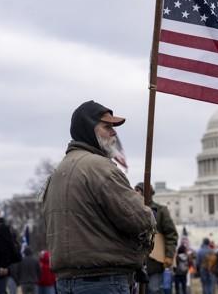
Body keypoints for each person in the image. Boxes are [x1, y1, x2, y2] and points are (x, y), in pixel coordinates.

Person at [42, 100, 156, 294]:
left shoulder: (56, 174)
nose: (114, 133)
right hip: (103, 280)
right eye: (107, 126)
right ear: (88, 129)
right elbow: (139, 220)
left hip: (65, 282)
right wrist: (149, 215)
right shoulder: (101, 168)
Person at [134, 182, 179, 294]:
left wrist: (169, 255)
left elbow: (171, 234)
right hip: (136, 262)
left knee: (154, 290)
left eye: (139, 192)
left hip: (154, 263)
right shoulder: (132, 211)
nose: (136, 194)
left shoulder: (161, 211)